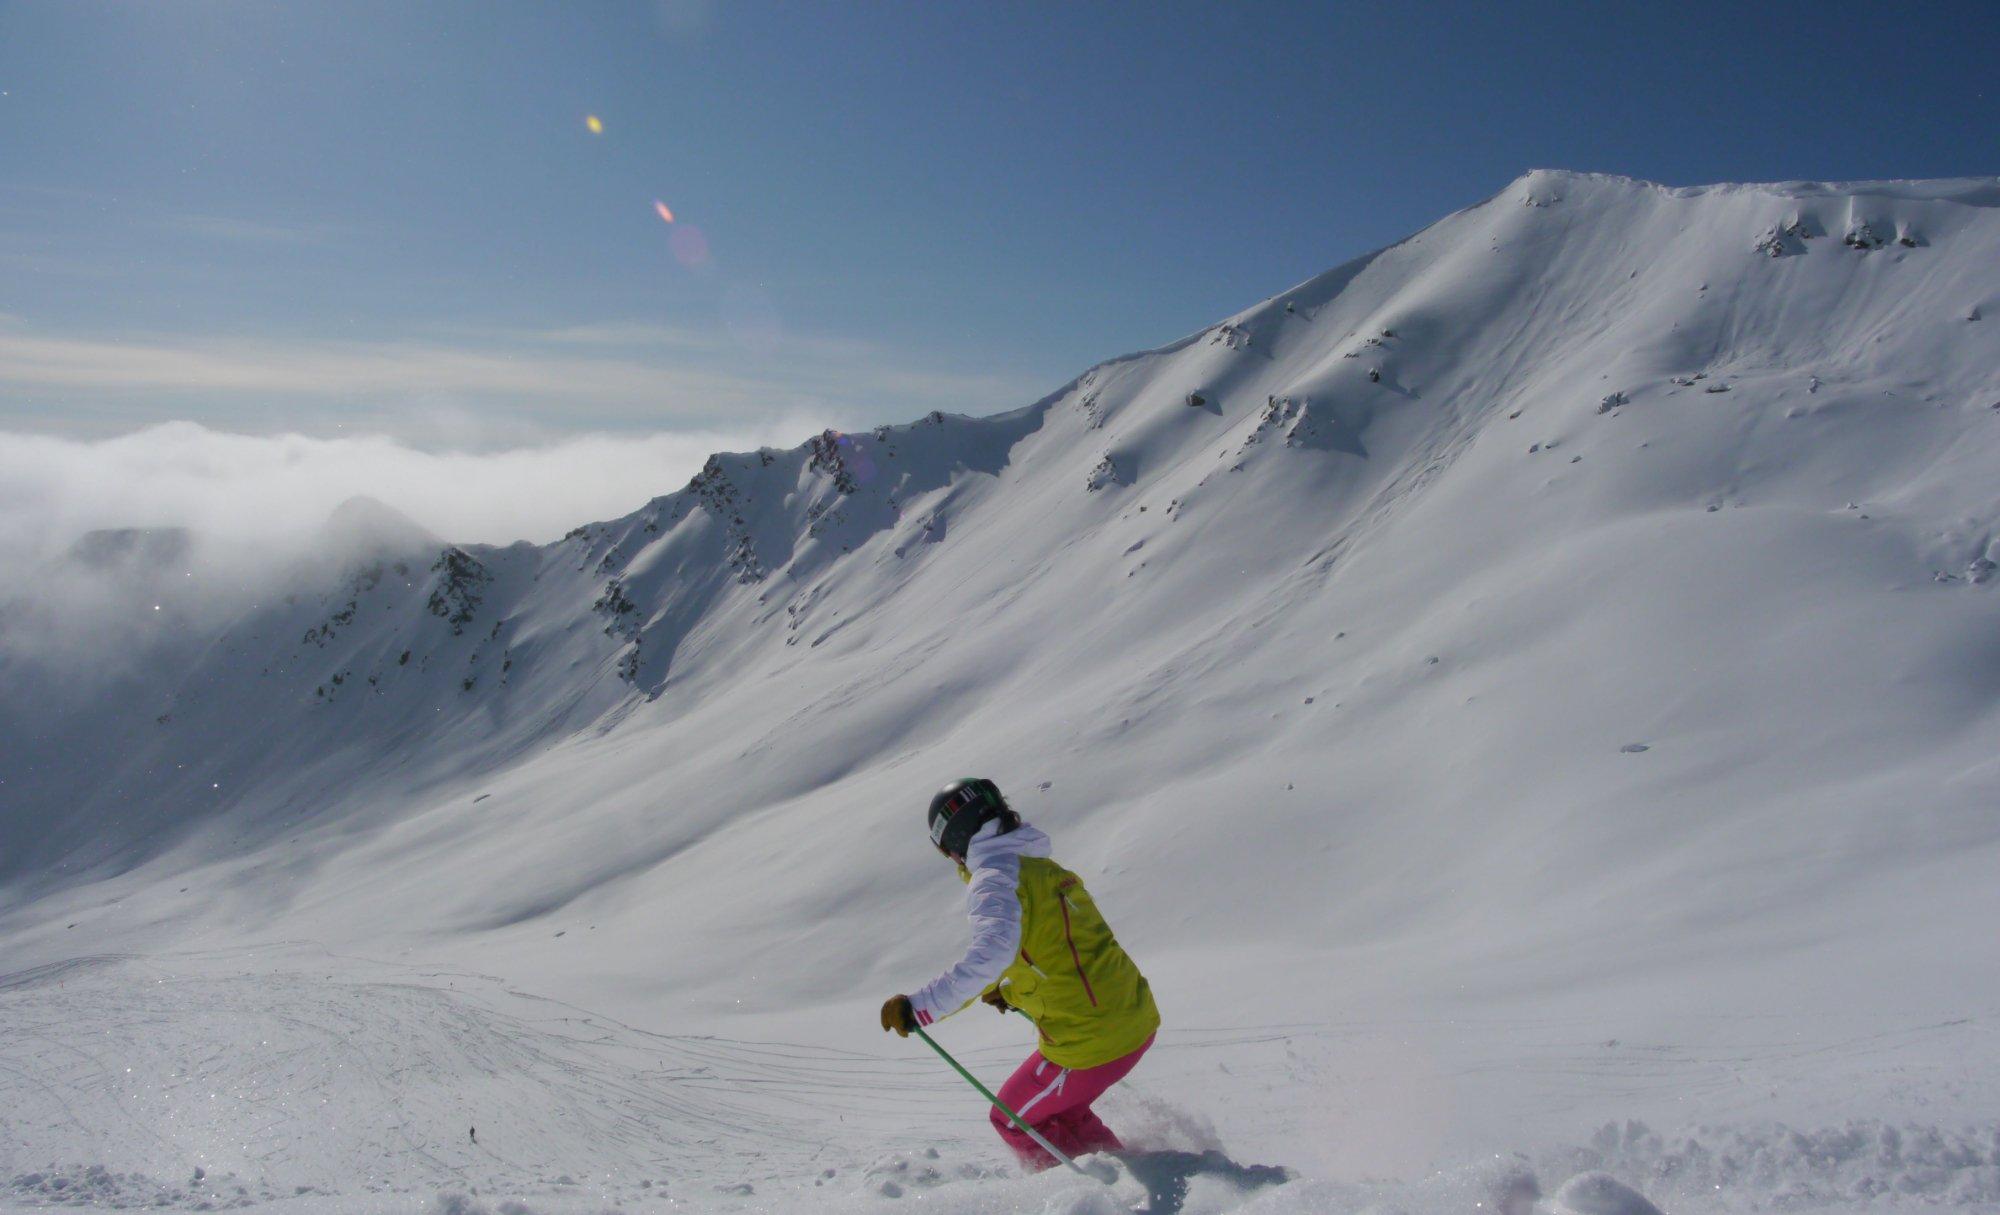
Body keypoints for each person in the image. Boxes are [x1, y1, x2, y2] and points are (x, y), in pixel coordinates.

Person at [880, 778, 1159, 1169]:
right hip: (1135, 1017)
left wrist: (918, 1008)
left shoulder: (995, 878)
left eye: (946, 850)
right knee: (1062, 1111)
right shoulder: (1040, 868)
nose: (953, 860)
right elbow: (1059, 950)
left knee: (1012, 1119)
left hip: (1090, 1039)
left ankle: (1083, 1194)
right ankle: (1133, 1171)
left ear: (956, 839)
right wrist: (1009, 992)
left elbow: (992, 955)